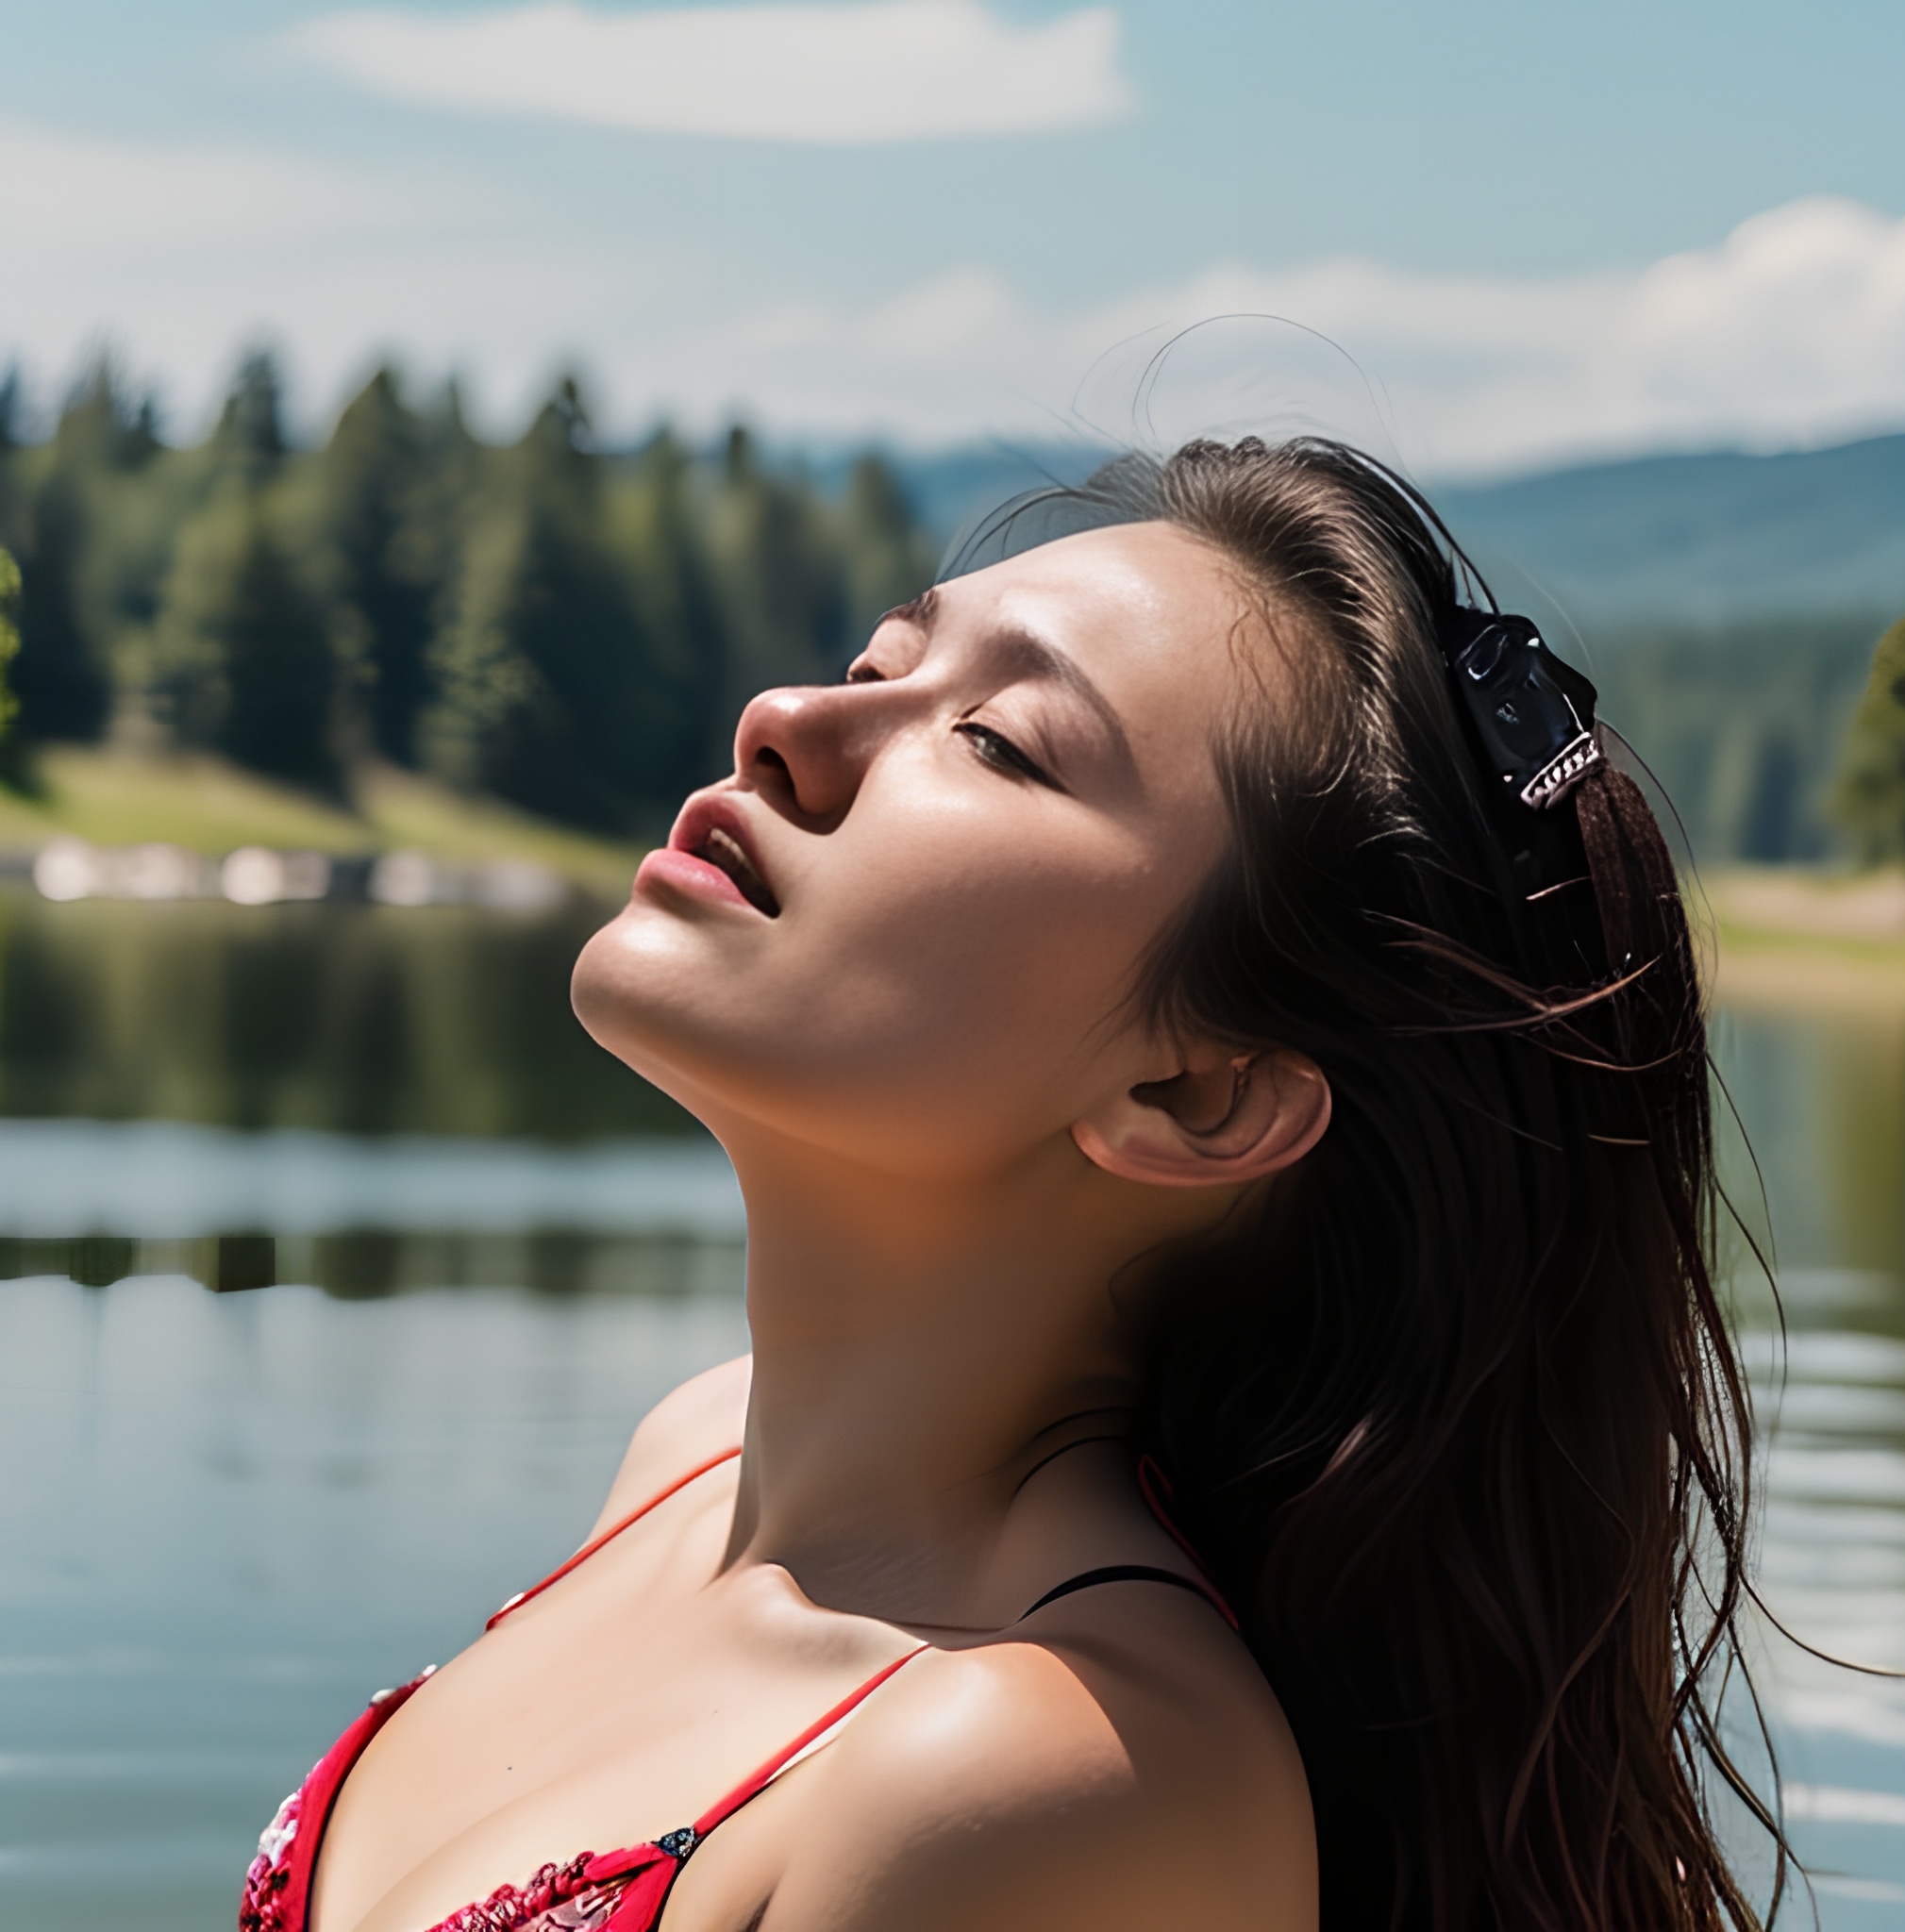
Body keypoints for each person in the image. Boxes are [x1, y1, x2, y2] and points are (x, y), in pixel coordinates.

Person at [242, 437, 1769, 1932]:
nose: (783, 720)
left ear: (1197, 1094)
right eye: (871, 663)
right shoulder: (695, 1454)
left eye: (996, 741)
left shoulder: (1063, 1780)